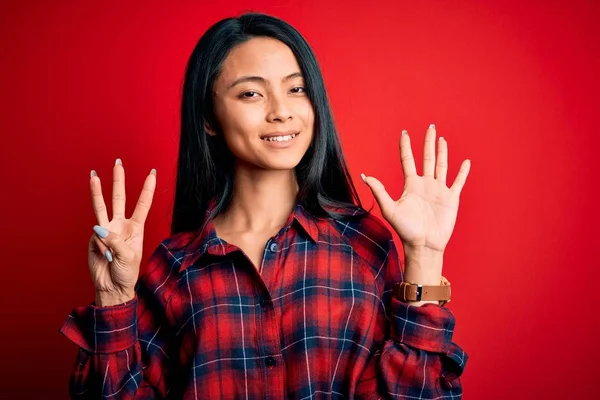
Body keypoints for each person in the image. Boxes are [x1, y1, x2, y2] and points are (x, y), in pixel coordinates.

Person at [60, 12, 471, 399]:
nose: (281, 112)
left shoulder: (364, 246)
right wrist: (113, 298)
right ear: (209, 118)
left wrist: (425, 255)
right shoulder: (173, 268)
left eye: (297, 89)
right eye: (252, 93)